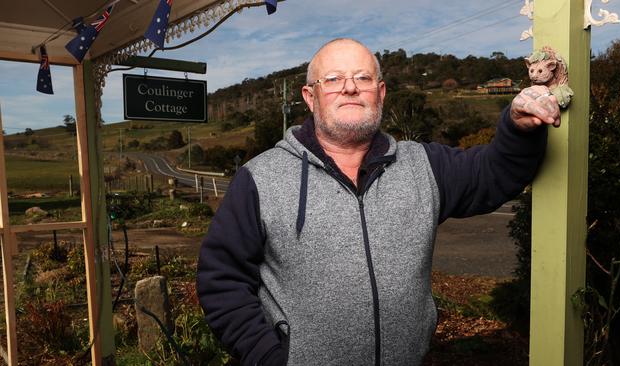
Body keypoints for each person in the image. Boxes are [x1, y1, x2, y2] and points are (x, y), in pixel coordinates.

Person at [197, 38, 560, 366]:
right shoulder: (261, 178)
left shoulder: (423, 166)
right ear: (311, 96)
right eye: (334, 79)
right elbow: (221, 279)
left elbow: (494, 174)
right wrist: (269, 357)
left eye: (363, 78)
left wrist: (517, 127)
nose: (350, 88)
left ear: (381, 92)